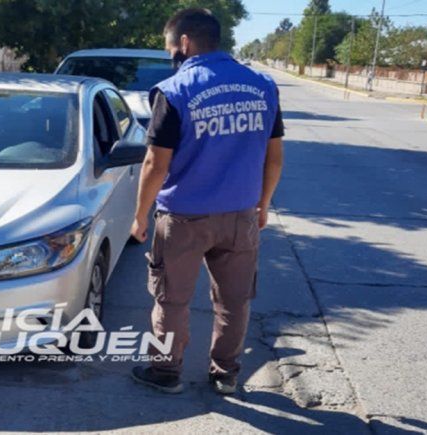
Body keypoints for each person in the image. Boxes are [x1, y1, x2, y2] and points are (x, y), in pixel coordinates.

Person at [129, 8, 284, 395]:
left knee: (172, 299)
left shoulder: (174, 90)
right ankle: (225, 374)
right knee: (234, 301)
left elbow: (155, 164)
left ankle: (166, 372)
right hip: (241, 216)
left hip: (184, 218)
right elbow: (274, 157)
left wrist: (140, 215)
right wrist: (264, 204)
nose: (170, 55)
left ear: (184, 43)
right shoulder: (263, 86)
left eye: (170, 48)